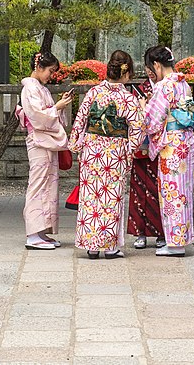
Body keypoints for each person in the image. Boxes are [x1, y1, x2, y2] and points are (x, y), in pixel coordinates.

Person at [68, 49, 144, 259]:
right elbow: (137, 130)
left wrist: (76, 145)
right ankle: (110, 247)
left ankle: (92, 247)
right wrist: (130, 149)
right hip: (115, 153)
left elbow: (80, 120)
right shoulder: (128, 98)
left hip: (93, 150)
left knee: (91, 197)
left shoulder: (93, 93)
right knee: (112, 198)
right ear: (126, 73)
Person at [141, 44, 194, 256]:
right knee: (183, 192)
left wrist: (142, 109)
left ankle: (175, 244)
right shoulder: (183, 84)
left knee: (171, 191)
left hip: (171, 145)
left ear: (156, 64)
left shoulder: (165, 86)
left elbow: (153, 120)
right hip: (186, 141)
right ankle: (181, 238)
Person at [19, 52, 74, 250]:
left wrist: (59, 106)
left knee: (49, 185)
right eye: (50, 71)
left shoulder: (40, 89)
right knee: (38, 184)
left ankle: (41, 231)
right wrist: (56, 108)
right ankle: (33, 234)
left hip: (47, 141)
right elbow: (36, 116)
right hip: (39, 141)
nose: (51, 75)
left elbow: (47, 113)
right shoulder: (29, 89)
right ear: (39, 67)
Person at [127, 63, 165, 250]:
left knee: (158, 189)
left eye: (153, 66)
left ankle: (161, 232)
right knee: (139, 188)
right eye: (148, 66)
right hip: (142, 145)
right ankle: (139, 232)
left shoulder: (166, 87)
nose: (151, 70)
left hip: (161, 145)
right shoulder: (140, 89)